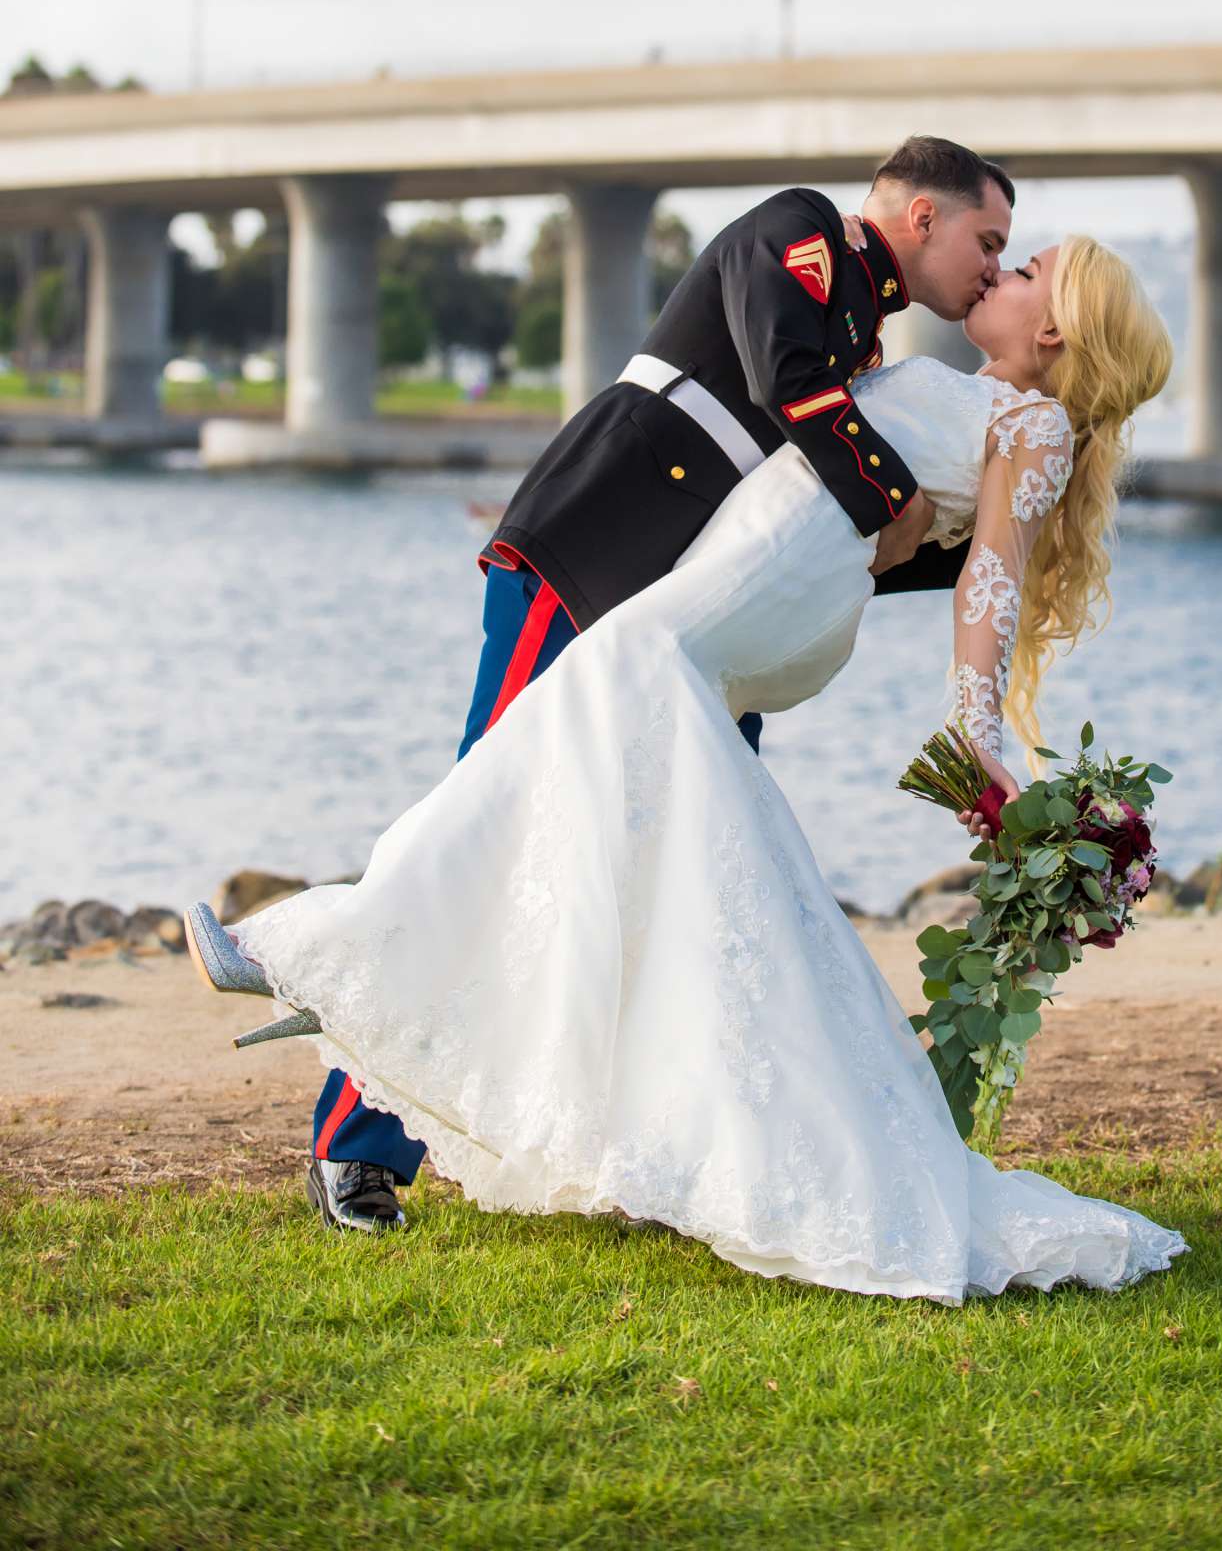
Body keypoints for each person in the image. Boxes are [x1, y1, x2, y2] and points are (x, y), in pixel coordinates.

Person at [190, 230, 1187, 1303]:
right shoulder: (927, 367)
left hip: (757, 597)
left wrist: (979, 738)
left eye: (1025, 269)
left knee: (558, 733)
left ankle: (307, 955)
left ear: (1053, 331)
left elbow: (985, 590)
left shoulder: (1032, 424)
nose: (1000, 271)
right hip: (733, 578)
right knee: (614, 825)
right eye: (997, 248)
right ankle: (366, 987)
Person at [291, 137, 1014, 1232]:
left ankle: (664, 1155)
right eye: (987, 240)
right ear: (921, 217)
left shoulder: (869, 330)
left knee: (688, 883)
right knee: (490, 830)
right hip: (592, 558)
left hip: (701, 630)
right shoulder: (804, 229)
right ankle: (362, 1144)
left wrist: (989, 538)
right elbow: (791, 389)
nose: (993, 271)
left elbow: (822, 519)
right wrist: (895, 495)